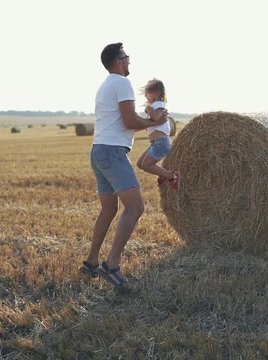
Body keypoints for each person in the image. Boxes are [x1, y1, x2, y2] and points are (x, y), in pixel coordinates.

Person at [80, 43, 169, 290]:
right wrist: (154, 121)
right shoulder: (121, 83)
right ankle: (112, 264)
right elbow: (129, 121)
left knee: (108, 209)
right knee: (135, 207)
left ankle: (91, 261)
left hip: (98, 150)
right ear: (119, 61)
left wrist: (149, 120)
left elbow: (123, 120)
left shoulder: (105, 85)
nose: (129, 61)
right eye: (127, 57)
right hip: (113, 151)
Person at [136, 79, 180, 190]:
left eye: (149, 92)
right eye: (146, 92)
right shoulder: (154, 105)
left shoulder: (159, 104)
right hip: (155, 143)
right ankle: (163, 174)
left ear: (158, 93)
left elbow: (156, 117)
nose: (146, 95)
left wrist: (149, 109)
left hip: (161, 142)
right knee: (140, 163)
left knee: (146, 165)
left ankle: (172, 176)